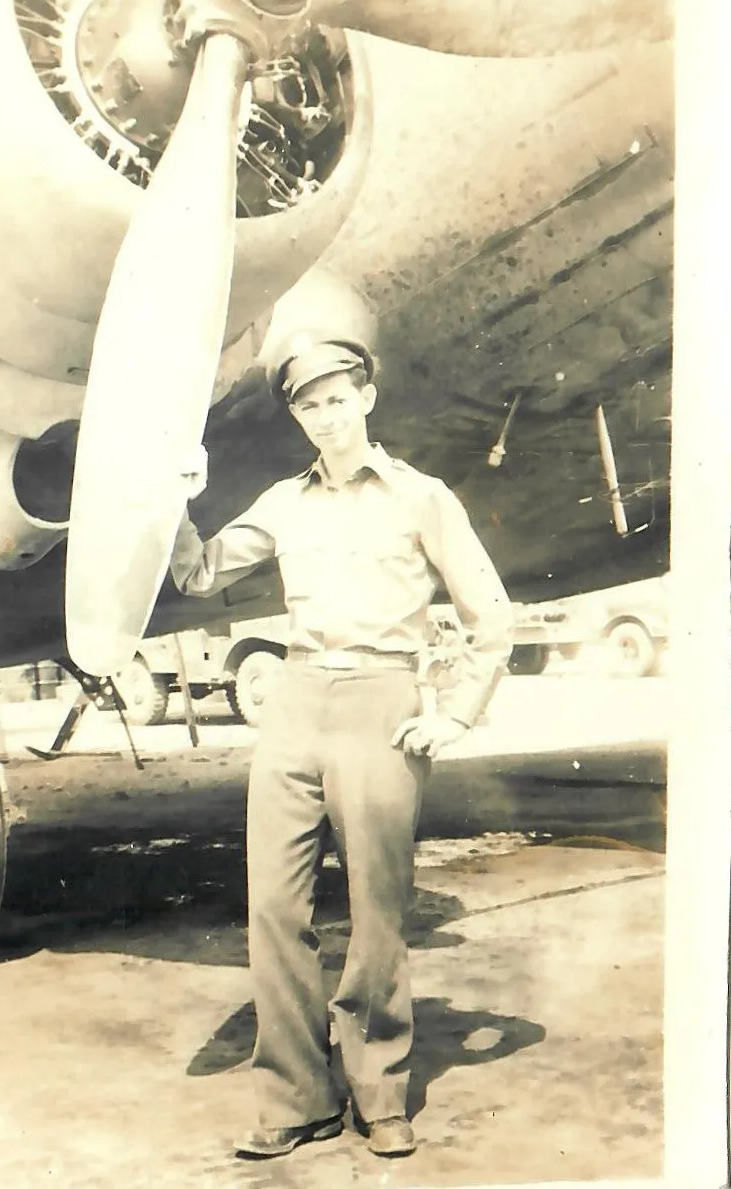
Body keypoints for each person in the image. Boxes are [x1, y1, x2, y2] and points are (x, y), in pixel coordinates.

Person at [171, 330, 514, 1160]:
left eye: (336, 397)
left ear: (365, 397)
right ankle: (294, 1098)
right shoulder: (284, 502)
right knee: (273, 908)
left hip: (379, 701)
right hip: (294, 699)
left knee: (376, 911)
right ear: (294, 413)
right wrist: (173, 502)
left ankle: (378, 1091)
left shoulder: (420, 495)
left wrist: (455, 714)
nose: (324, 416)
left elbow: (489, 614)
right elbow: (200, 574)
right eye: (306, 403)